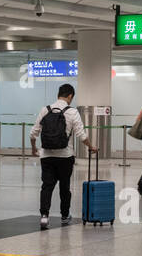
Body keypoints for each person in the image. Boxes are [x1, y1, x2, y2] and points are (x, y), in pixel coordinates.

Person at [29, 83, 98, 229]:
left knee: (47, 186)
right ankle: (65, 216)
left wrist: (34, 148)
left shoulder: (45, 110)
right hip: (65, 156)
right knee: (64, 186)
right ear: (70, 96)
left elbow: (33, 133)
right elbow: (81, 135)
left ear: (58, 94)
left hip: (46, 155)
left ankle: (44, 216)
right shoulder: (72, 112)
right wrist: (91, 146)